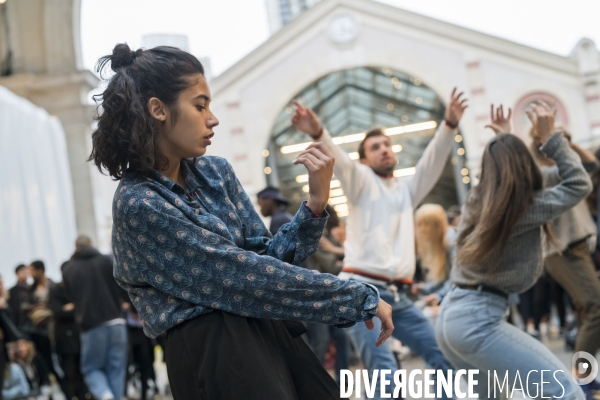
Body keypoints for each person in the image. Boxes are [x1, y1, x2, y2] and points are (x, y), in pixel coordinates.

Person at [88, 43, 393, 400]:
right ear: (157, 109)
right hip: (213, 351)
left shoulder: (215, 172)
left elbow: (266, 258)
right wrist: (353, 297)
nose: (212, 118)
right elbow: (235, 275)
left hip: (268, 329)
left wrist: (315, 205)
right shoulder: (139, 202)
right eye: (200, 105)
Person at [292, 89, 467, 398]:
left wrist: (449, 125)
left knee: (442, 354)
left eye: (387, 144)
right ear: (364, 159)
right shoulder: (360, 179)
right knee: (385, 376)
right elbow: (342, 162)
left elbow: (431, 162)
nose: (384, 150)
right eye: (375, 147)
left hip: (399, 295)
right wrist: (319, 131)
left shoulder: (406, 189)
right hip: (363, 292)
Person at [435, 103, 590, 399]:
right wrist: (550, 137)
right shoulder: (526, 208)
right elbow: (579, 183)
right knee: (565, 391)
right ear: (525, 165)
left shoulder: (477, 200)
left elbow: (501, 172)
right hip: (476, 320)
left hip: (452, 317)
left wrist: (503, 140)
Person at [529, 127, 600, 397]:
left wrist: (568, 144)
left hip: (578, 248)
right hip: (563, 251)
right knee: (596, 307)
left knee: (586, 311)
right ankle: (581, 377)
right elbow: (592, 166)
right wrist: (560, 144)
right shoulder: (543, 174)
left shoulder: (564, 166)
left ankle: (586, 376)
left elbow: (593, 166)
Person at [62, 235, 129, 400]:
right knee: (116, 368)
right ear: (91, 244)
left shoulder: (69, 270)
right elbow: (122, 286)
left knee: (91, 368)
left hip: (91, 325)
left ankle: (105, 395)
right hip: (116, 320)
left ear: (75, 248)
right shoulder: (108, 261)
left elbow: (71, 298)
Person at [49, 262, 89, 400]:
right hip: (65, 340)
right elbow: (58, 312)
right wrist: (74, 307)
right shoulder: (56, 290)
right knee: (69, 373)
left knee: (82, 371)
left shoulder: (79, 288)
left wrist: (71, 307)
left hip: (80, 337)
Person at [412, 204, 454, 310]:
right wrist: (424, 288)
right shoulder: (435, 245)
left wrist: (439, 296)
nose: (420, 229)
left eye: (425, 224)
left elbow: (457, 278)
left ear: (436, 224)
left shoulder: (451, 240)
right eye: (418, 225)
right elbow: (442, 279)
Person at [7, 266, 30, 331]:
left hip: (31, 322)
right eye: (22, 272)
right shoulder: (11, 291)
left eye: (26, 272)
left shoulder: (31, 288)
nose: (25, 274)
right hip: (17, 323)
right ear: (17, 274)